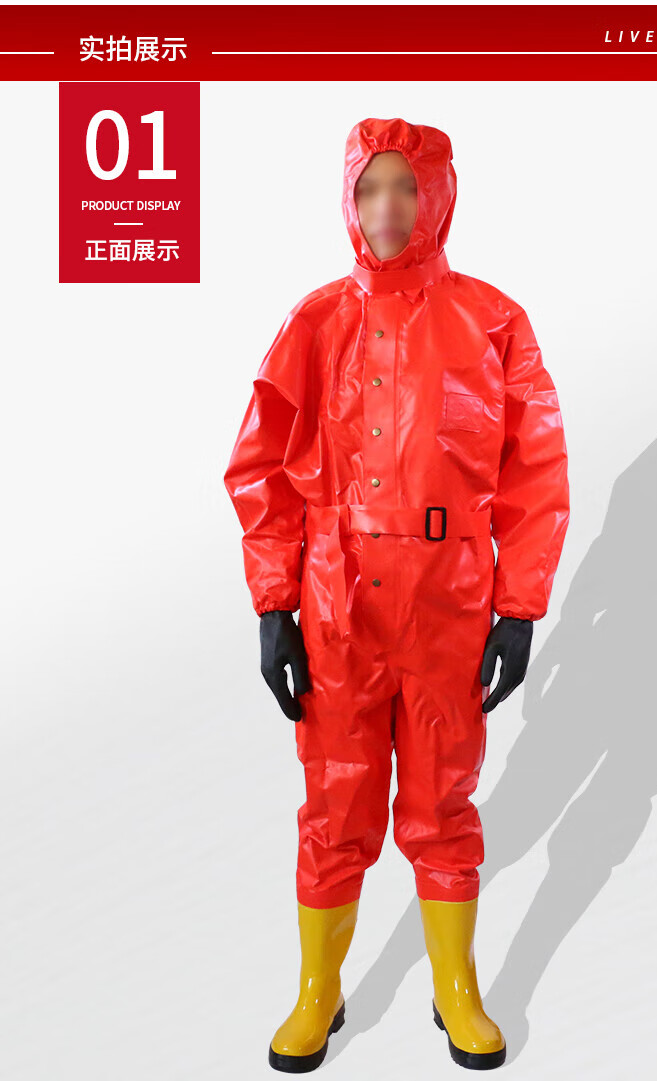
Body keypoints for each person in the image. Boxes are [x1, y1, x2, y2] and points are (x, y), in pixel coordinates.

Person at [224, 116, 570, 1072]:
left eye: (407, 186)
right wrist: (274, 606)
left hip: (448, 607)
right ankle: (319, 989)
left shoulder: (492, 322)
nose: (388, 206)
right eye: (370, 186)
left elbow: (535, 468)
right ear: (349, 199)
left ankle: (455, 987)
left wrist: (519, 606)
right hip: (337, 607)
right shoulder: (314, 322)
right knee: (335, 804)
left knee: (441, 803)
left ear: (439, 196)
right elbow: (260, 469)